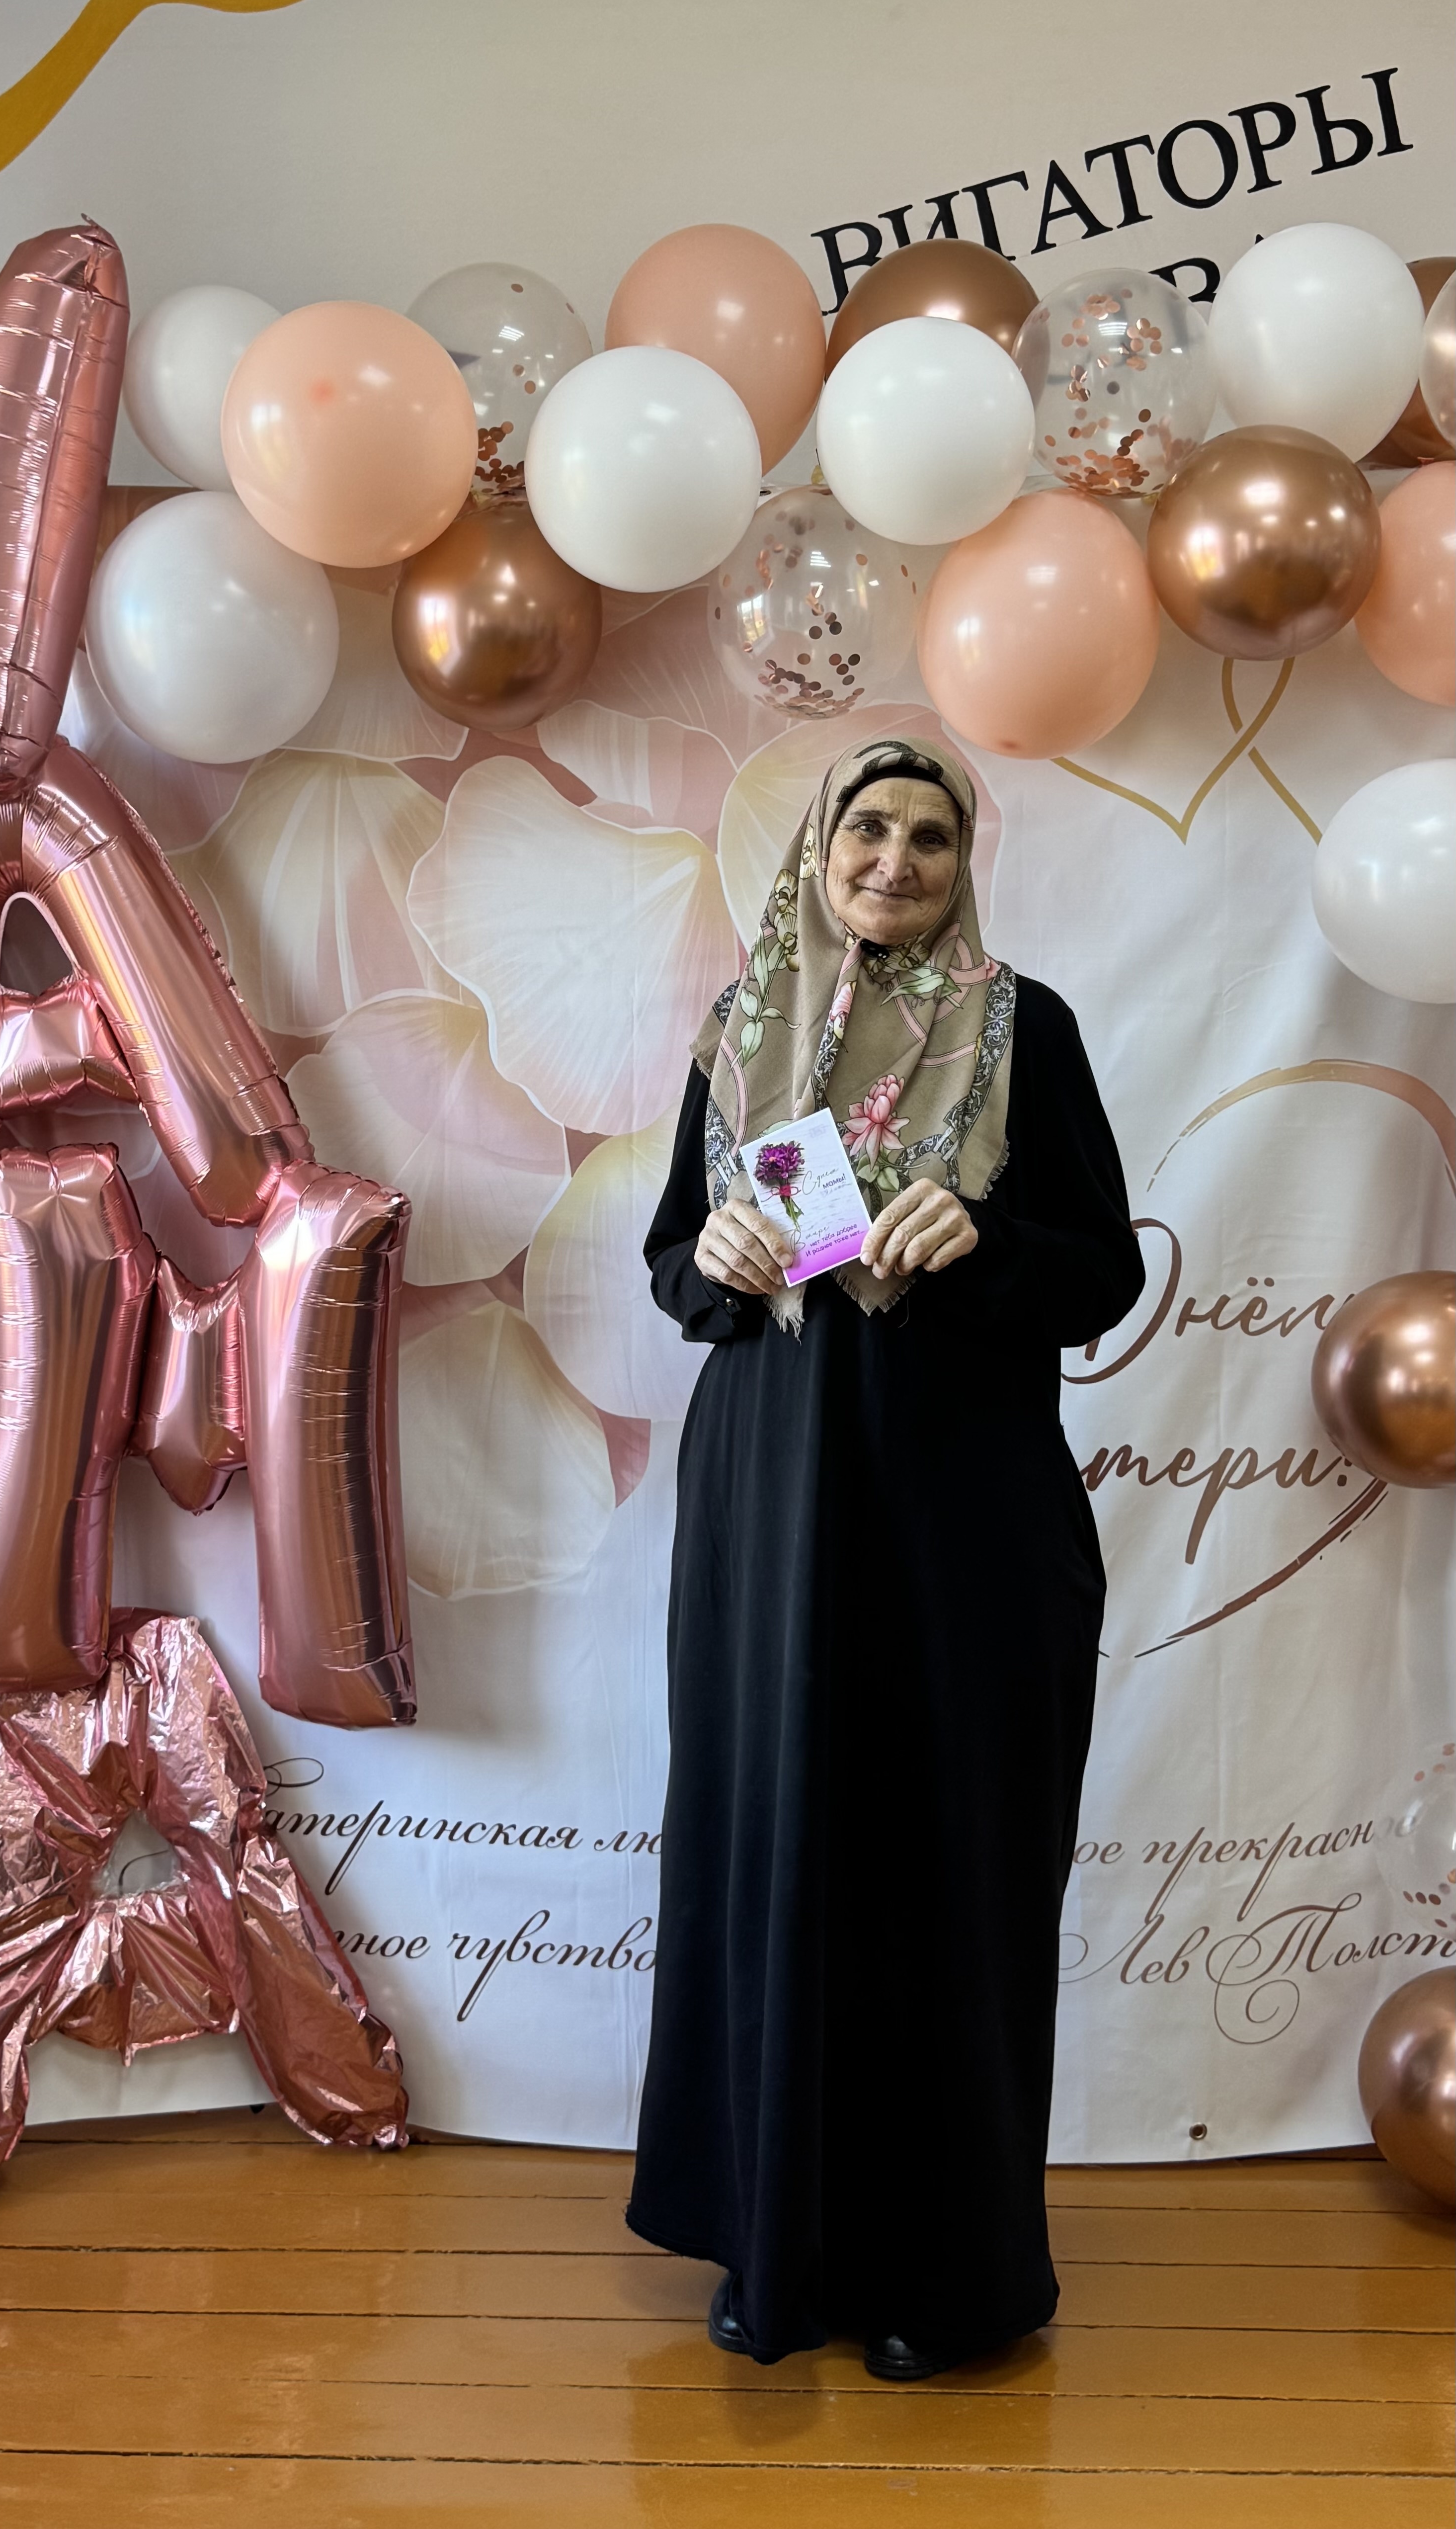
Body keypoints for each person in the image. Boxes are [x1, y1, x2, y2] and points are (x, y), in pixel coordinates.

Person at [626, 732, 1145, 2380]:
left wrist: (983, 1237)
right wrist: (716, 1251)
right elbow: (672, 1263)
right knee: (772, 1846)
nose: (896, 861)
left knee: (949, 1865)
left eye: (931, 836)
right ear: (821, 845)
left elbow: (1102, 1271)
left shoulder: (1022, 1028)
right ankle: (773, 2247)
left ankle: (950, 2272)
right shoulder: (746, 1028)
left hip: (964, 1525)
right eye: (870, 828)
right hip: (770, 1513)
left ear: (962, 862)